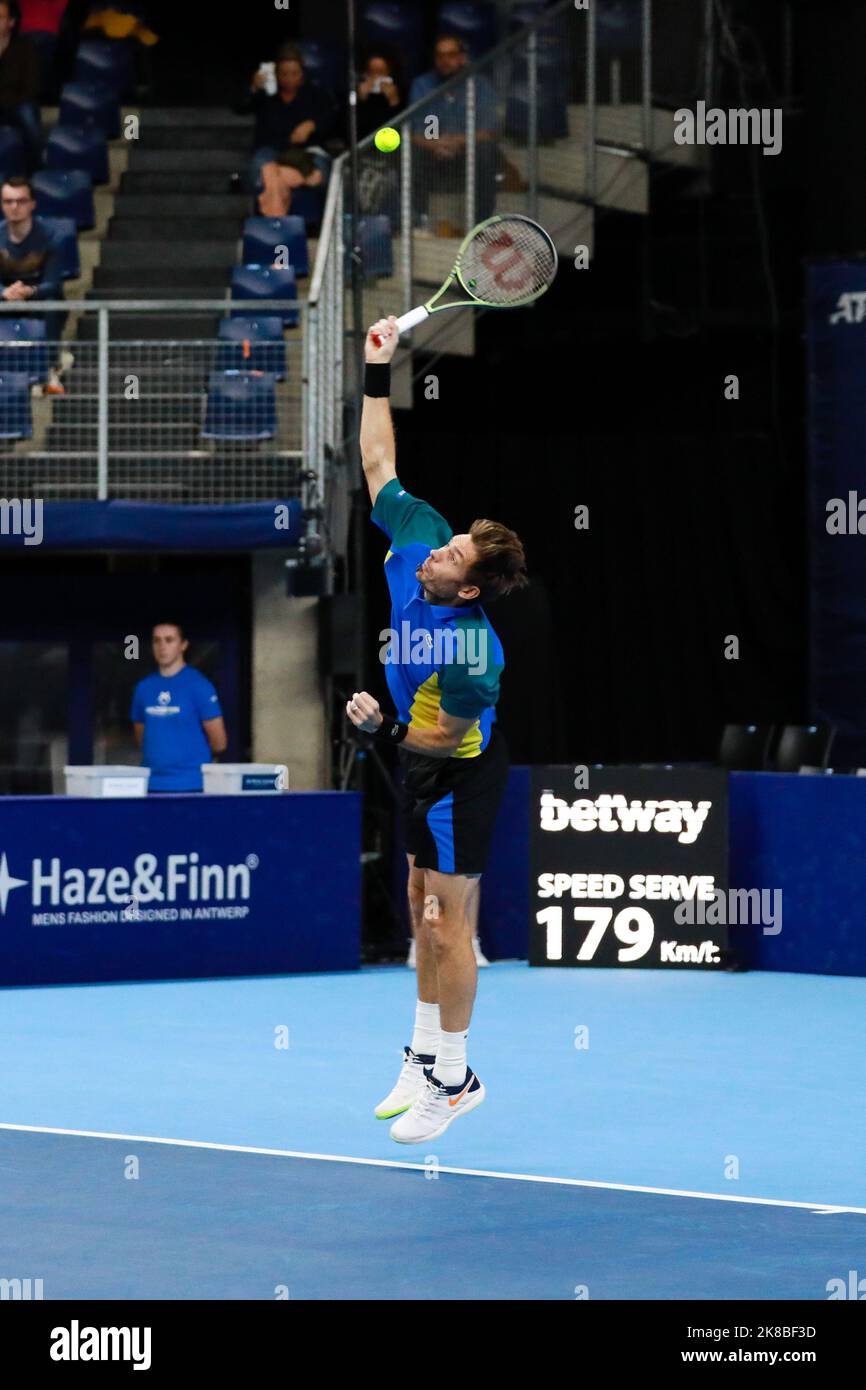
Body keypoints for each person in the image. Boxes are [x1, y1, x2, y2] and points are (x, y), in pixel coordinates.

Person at [348, 315, 528, 1144]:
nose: (436, 551)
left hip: (458, 771)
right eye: (447, 542)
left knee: (445, 922)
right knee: (418, 901)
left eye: (452, 557)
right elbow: (379, 461)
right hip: (420, 756)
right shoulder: (417, 537)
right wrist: (377, 369)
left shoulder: (472, 655)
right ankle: (422, 1055)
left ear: (468, 591)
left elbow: (429, 742)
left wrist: (374, 727)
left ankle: (455, 1078)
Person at [408, 34, 497, 235]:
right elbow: (415, 132)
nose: (445, 61)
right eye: (440, 56)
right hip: (433, 151)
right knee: (411, 151)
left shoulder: (480, 85)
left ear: (462, 57)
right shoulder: (422, 84)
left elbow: (488, 132)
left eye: (451, 55)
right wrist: (436, 144)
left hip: (467, 152)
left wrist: (455, 141)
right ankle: (419, 221)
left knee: (486, 150)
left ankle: (480, 225)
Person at [237, 45, 335, 217]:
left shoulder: (316, 95)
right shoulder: (266, 95)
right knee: (258, 171)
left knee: (322, 175)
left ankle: (279, 177)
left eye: (294, 73)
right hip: (271, 151)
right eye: (284, 74)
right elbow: (239, 107)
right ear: (276, 74)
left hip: (307, 152)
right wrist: (253, 88)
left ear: (302, 74)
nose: (289, 79)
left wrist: (312, 125)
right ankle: (276, 219)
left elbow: (332, 120)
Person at [130, 623, 227, 794]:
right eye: (157, 641)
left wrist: (189, 758)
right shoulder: (143, 688)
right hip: (150, 785)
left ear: (183, 645)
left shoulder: (199, 686)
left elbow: (219, 742)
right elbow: (141, 737)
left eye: (169, 640)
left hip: (192, 785)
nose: (162, 647)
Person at [0, 174, 64, 353]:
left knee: (54, 304)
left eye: (21, 201)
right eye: (8, 201)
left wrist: (31, 291)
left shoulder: (51, 238)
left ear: (32, 204)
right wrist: (4, 292)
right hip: (5, 300)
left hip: (38, 301)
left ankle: (50, 367)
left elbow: (54, 284)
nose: (14, 207)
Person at [0, 0, 42, 172]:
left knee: (27, 112)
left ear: (11, 22)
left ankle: (35, 169)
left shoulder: (25, 48)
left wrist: (8, 102)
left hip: (15, 105)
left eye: (0, 17)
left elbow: (31, 88)